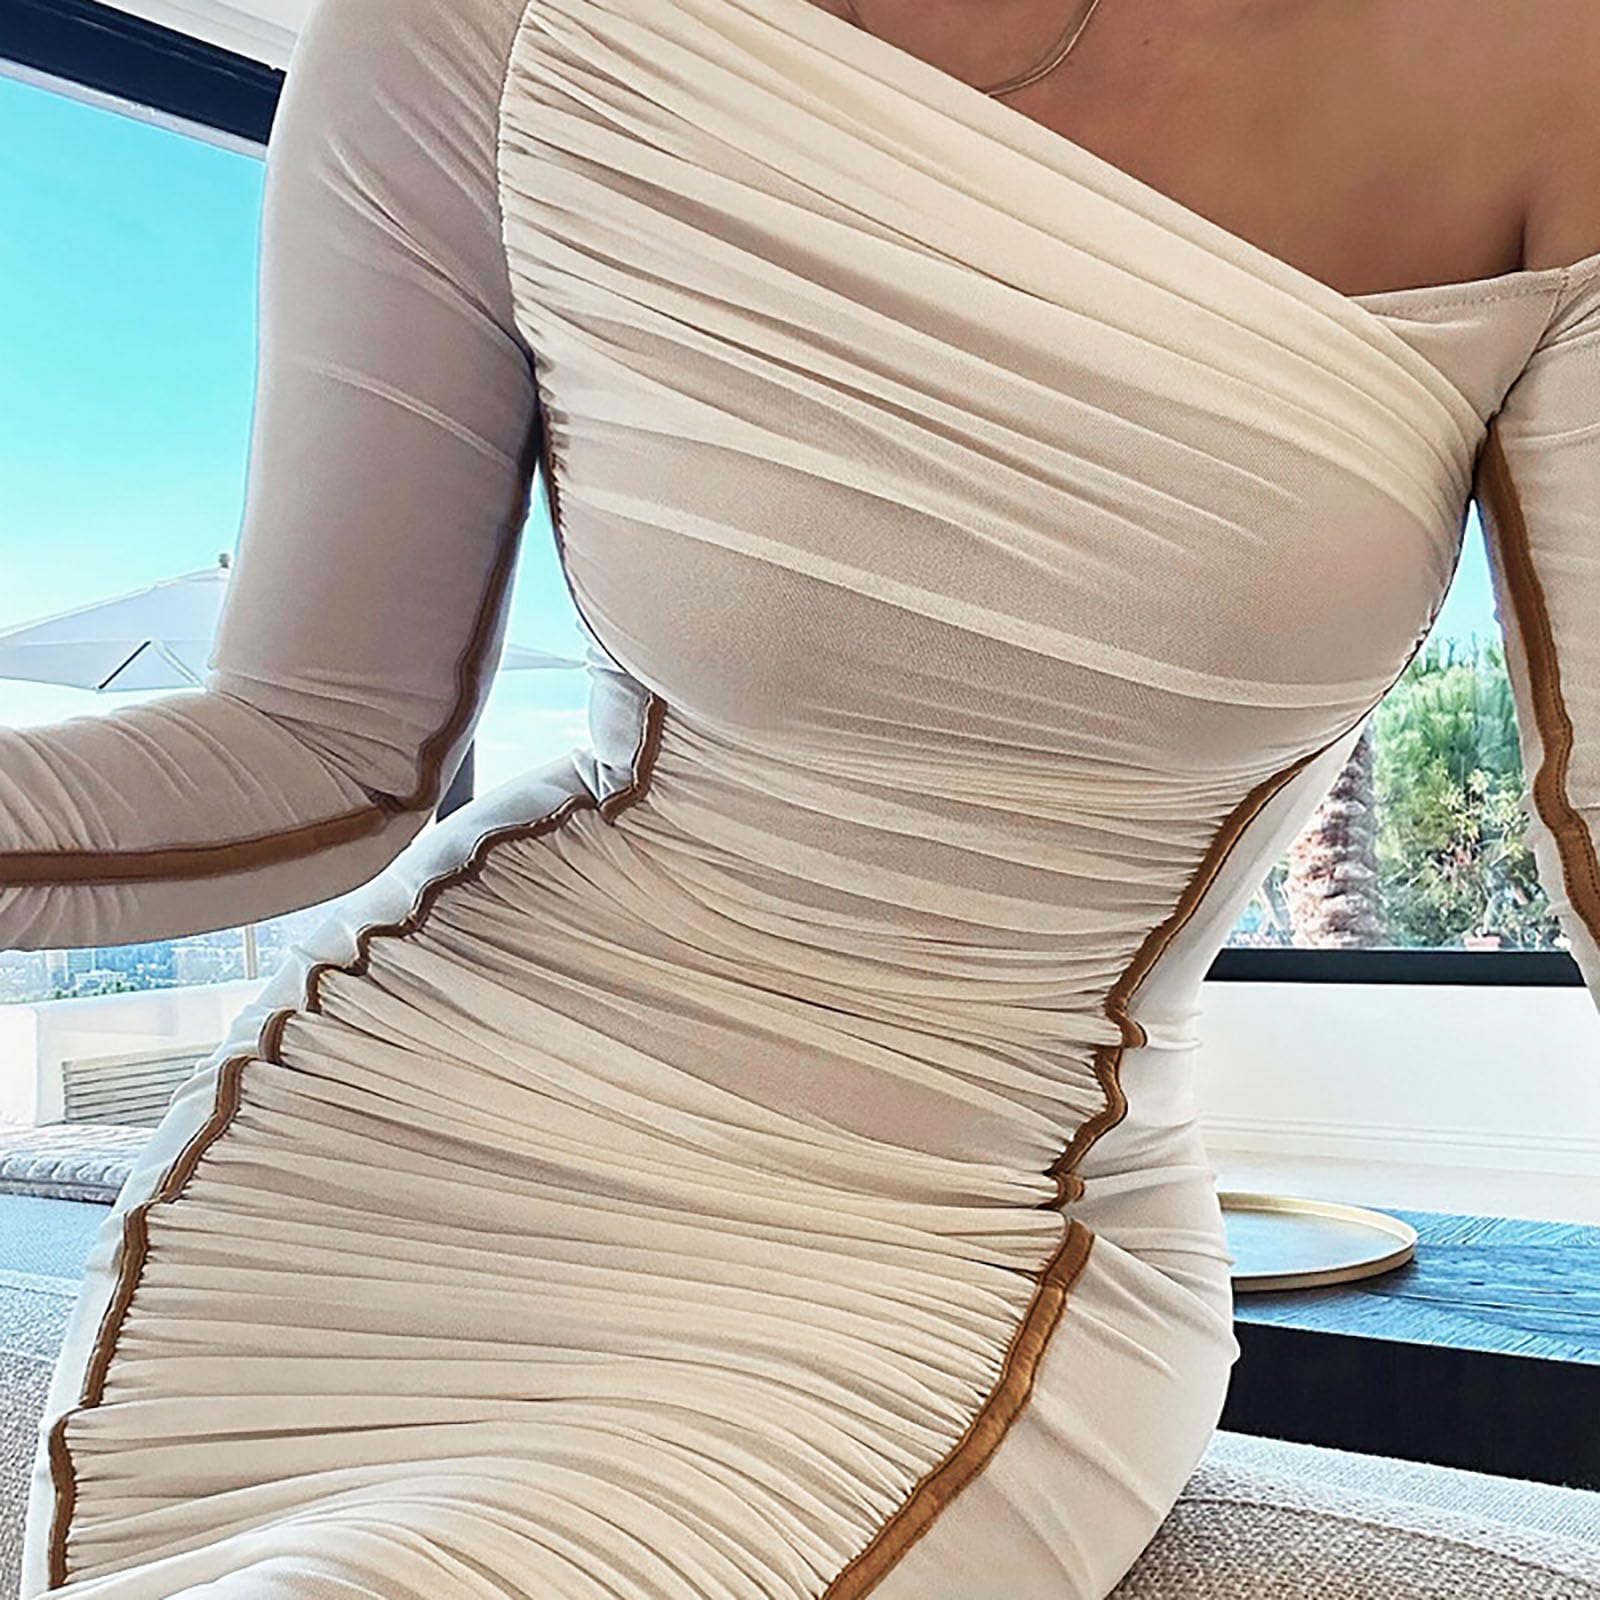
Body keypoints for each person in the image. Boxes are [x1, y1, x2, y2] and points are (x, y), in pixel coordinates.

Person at [7, 0, 1600, 1595]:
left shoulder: (1546, 72)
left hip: (967, 1232)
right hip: (403, 1155)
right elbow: (311, 748)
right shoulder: (491, 27)